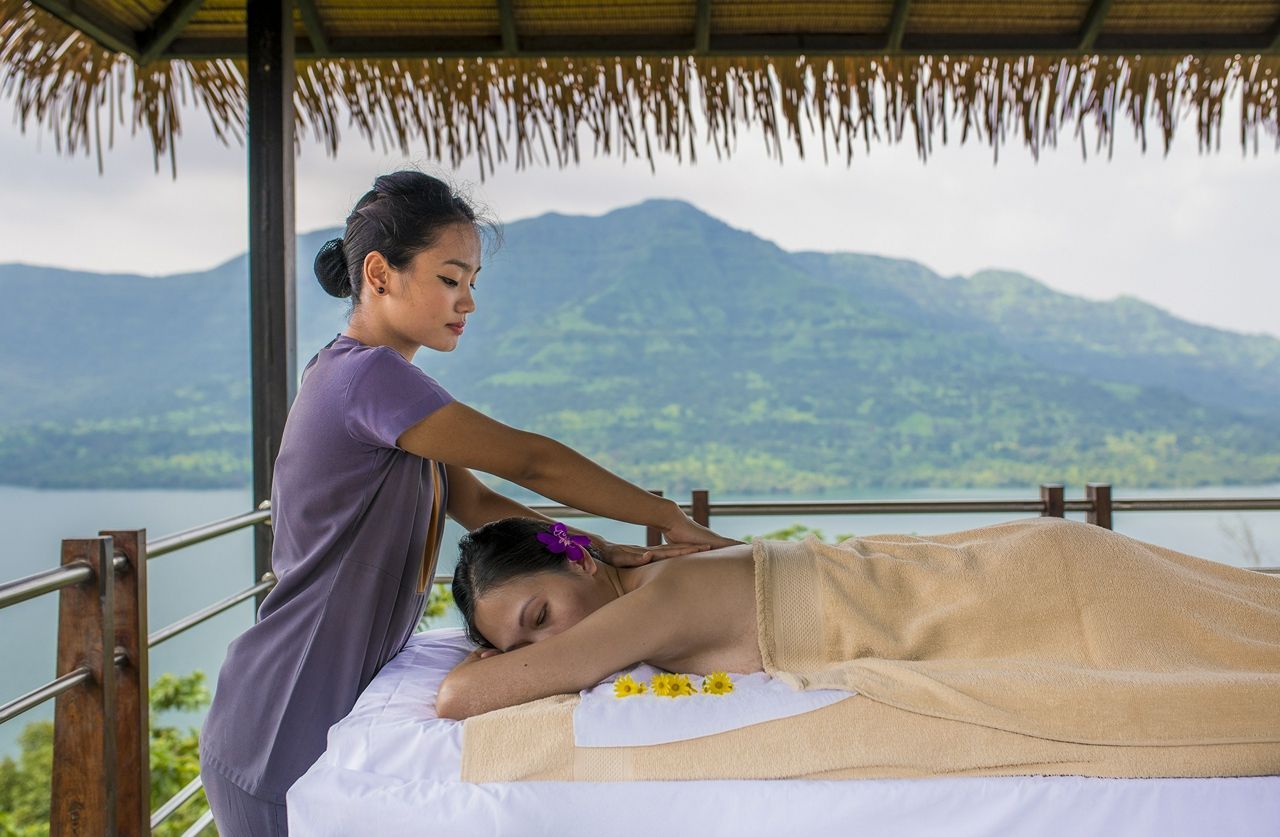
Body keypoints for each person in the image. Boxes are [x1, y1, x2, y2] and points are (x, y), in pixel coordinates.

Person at [198, 171, 735, 836]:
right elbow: (531, 460)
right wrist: (663, 517)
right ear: (380, 273)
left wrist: (590, 550)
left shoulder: (380, 384)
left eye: (473, 280)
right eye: (450, 278)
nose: (468, 301)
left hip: (319, 706)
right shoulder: (368, 378)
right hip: (282, 717)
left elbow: (475, 500)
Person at [438, 515, 1280, 725]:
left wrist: (497, 665)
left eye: (541, 613)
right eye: (529, 640)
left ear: (576, 556)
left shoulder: (659, 601)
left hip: (1015, 586)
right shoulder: (659, 583)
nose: (556, 646)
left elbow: (458, 699)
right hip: (1007, 568)